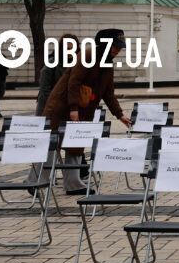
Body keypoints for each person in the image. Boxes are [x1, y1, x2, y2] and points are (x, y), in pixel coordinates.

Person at [42, 28, 131, 194]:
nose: (118, 50)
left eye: (119, 47)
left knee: (75, 145)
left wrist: (120, 115)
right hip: (62, 107)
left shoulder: (107, 62)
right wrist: (73, 108)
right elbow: (74, 83)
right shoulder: (88, 55)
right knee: (50, 144)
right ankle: (38, 180)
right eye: (115, 46)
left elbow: (108, 93)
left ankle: (73, 184)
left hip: (82, 110)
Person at [35, 33, 77, 116]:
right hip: (52, 106)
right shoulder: (51, 63)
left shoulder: (78, 63)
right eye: (67, 48)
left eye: (72, 48)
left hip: (70, 108)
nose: (70, 52)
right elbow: (44, 91)